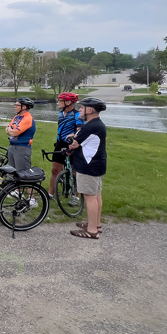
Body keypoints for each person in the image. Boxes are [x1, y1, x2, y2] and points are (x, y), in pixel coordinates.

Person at [67, 97, 106, 239]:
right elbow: (78, 141)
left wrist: (72, 141)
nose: (80, 111)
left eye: (82, 108)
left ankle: (91, 231)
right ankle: (96, 224)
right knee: (96, 195)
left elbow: (73, 141)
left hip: (88, 166)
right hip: (97, 164)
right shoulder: (96, 124)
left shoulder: (91, 126)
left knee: (90, 197)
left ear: (90, 110)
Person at [49, 92, 81, 196]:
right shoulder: (60, 113)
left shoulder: (77, 114)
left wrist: (72, 138)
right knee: (55, 170)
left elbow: (80, 131)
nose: (58, 102)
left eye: (61, 100)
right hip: (59, 144)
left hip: (71, 144)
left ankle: (75, 196)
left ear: (68, 102)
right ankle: (50, 194)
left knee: (74, 171)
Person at [5, 97, 36, 171]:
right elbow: (7, 129)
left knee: (22, 173)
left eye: (17, 105)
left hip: (22, 148)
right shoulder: (17, 117)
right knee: (12, 172)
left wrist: (10, 130)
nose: (14, 106)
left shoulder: (27, 118)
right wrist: (10, 130)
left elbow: (14, 132)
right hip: (12, 147)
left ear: (24, 107)